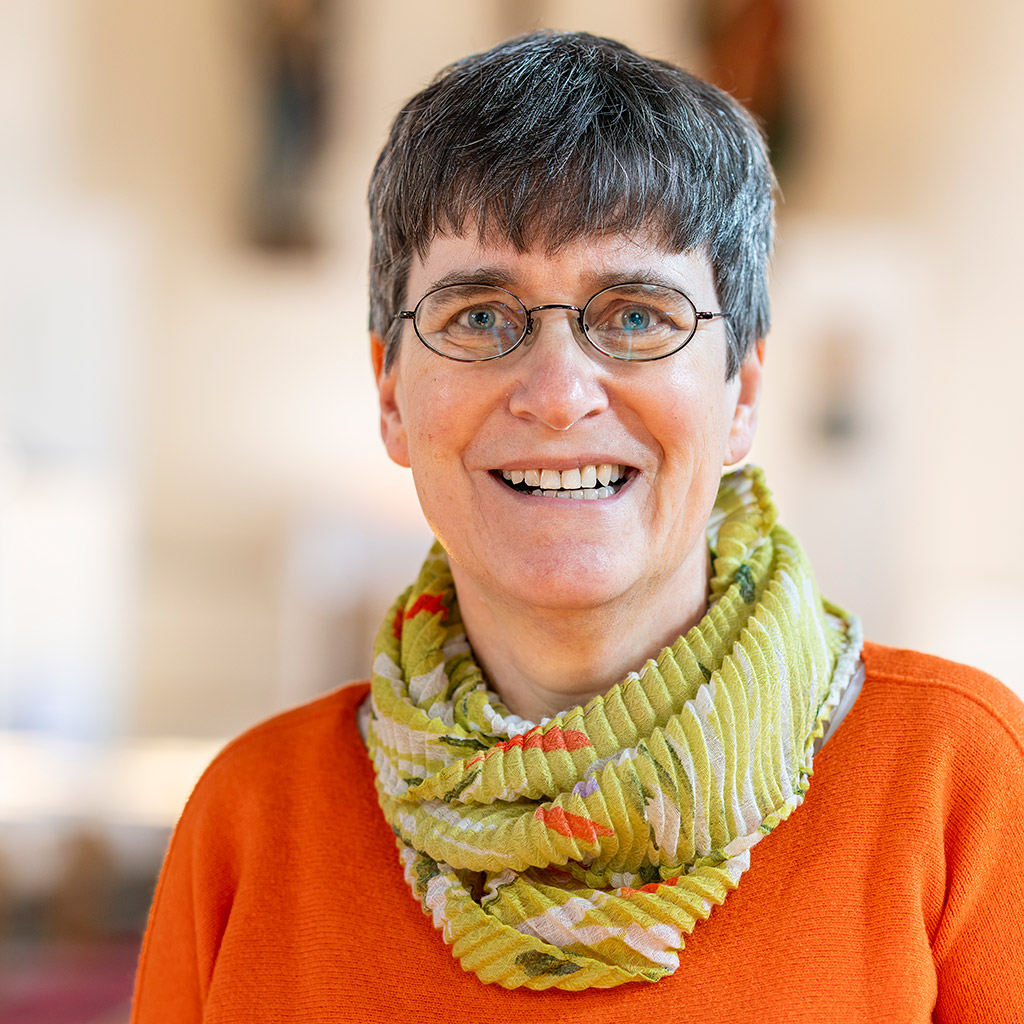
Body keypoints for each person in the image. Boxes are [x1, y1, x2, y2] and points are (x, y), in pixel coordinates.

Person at [130, 31, 1024, 1022]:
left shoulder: (959, 783)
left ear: (741, 392)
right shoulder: (252, 822)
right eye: (479, 316)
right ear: (389, 393)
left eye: (636, 316)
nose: (558, 394)